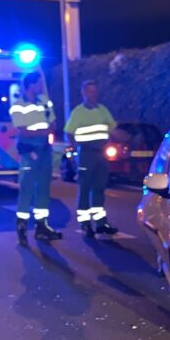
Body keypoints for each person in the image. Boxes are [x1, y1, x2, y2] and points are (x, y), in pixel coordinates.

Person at [9, 72, 63, 245]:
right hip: (29, 153)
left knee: (43, 189)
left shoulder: (45, 102)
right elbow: (23, 131)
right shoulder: (18, 106)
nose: (41, 86)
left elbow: (53, 125)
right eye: (39, 83)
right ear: (30, 85)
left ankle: (42, 227)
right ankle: (22, 228)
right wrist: (43, 131)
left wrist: (41, 131)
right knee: (26, 189)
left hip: (45, 151)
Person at [64, 81, 120, 237]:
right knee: (85, 188)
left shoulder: (102, 110)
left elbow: (112, 128)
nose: (93, 94)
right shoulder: (78, 112)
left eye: (95, 91)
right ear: (83, 93)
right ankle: (85, 223)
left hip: (101, 154)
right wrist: (76, 148)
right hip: (86, 154)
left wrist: (124, 136)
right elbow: (69, 132)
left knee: (99, 189)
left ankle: (101, 223)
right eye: (90, 91)